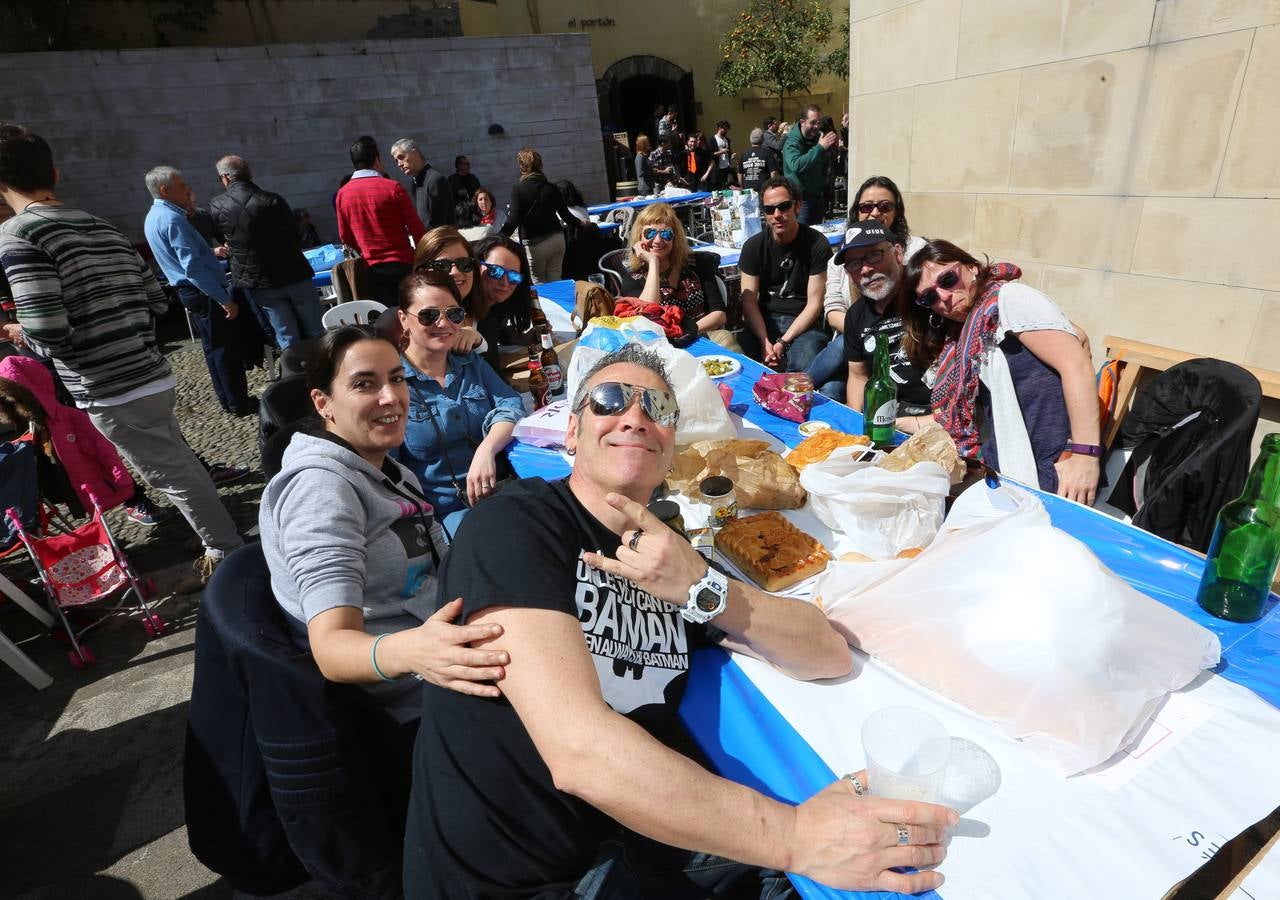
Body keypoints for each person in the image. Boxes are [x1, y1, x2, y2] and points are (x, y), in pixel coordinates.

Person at [403, 343, 956, 899]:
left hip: (620, 843)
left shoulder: (664, 558)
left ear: (672, 449)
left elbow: (827, 654)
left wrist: (702, 587)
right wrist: (796, 835)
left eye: (659, 408)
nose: (635, 416)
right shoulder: (519, 522)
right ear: (571, 432)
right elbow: (579, 752)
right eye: (610, 399)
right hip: (518, 882)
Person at [0, 123, 242, 592]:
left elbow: (48, 331)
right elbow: (155, 299)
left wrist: (15, 331)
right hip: (150, 371)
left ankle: (227, 552)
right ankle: (223, 541)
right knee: (181, 466)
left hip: (111, 386)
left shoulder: (18, 236)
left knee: (172, 474)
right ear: (53, 171)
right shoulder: (98, 224)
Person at [258, 323, 511, 723]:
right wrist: (416, 651)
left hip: (447, 641)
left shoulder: (386, 469)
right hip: (418, 695)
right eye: (364, 384)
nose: (391, 396)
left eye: (396, 378)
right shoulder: (320, 490)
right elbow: (331, 648)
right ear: (323, 403)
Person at [903, 239, 1102, 502]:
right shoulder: (965, 335)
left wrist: (1085, 457)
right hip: (1011, 472)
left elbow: (1076, 366)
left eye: (948, 279)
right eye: (929, 297)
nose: (943, 297)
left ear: (972, 268)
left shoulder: (1008, 300)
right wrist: (895, 423)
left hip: (1055, 470)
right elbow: (959, 417)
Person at [394, 269, 523, 535]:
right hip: (446, 515)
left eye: (453, 314)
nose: (443, 324)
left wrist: (486, 450)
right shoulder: (391, 384)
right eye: (429, 315)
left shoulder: (470, 362)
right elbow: (388, 472)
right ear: (403, 319)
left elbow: (511, 405)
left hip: (503, 490)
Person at [143, 165, 254, 417]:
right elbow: (192, 267)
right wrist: (223, 299)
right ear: (165, 190)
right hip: (201, 291)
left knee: (213, 347)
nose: (187, 189)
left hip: (190, 290)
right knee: (225, 348)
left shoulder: (156, 216)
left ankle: (229, 398)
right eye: (182, 185)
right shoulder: (171, 218)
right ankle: (237, 401)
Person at [805, 175, 925, 400]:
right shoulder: (839, 260)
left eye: (884, 206)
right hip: (855, 346)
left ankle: (798, 384)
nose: (875, 213)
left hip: (901, 346)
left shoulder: (918, 251)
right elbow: (832, 310)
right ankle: (797, 386)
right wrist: (863, 330)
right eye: (867, 206)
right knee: (830, 388)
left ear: (897, 253)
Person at [210, 155, 323, 349]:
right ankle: (327, 371)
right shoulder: (273, 200)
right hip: (294, 273)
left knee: (286, 335)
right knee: (316, 331)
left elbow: (223, 239)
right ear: (249, 175)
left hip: (260, 280)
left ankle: (297, 375)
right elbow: (295, 234)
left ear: (226, 178)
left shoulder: (217, 206)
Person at [737, 177, 831, 372]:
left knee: (801, 368)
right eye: (769, 210)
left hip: (803, 322)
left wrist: (783, 342)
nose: (777, 215)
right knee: (742, 364)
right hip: (765, 320)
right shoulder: (753, 247)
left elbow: (815, 304)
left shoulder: (817, 244)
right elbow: (749, 301)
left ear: (798, 206)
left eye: (784, 206)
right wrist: (764, 342)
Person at [615, 203, 738, 349]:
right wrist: (653, 262)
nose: (658, 240)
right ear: (639, 237)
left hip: (701, 336)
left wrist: (688, 332)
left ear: (675, 238)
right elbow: (646, 316)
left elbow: (719, 314)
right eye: (650, 233)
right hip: (662, 347)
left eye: (666, 234)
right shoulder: (633, 279)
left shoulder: (696, 265)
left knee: (727, 338)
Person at [337, 136, 427, 304]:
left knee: (387, 319)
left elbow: (345, 237)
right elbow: (416, 228)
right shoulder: (392, 187)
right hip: (403, 263)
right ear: (377, 159)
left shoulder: (343, 194)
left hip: (372, 269)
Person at [499, 148, 578, 284]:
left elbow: (513, 221)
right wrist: (582, 224)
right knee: (556, 281)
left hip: (535, 244)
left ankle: (543, 306)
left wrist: (497, 238)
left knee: (539, 284)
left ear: (521, 167)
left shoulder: (518, 189)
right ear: (541, 166)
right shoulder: (551, 187)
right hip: (557, 240)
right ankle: (559, 305)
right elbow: (566, 216)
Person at [412, 225, 486, 354]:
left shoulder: (483, 314)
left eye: (464, 264)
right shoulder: (408, 322)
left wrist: (479, 341)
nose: (455, 272)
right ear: (421, 271)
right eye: (442, 266)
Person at [471, 234, 534, 375]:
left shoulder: (495, 309)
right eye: (495, 271)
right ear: (476, 266)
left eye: (514, 276)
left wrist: (517, 336)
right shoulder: (462, 316)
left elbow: (493, 331)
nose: (505, 283)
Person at [784, 105, 840, 225]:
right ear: (802, 122)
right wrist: (820, 148)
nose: (816, 126)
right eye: (813, 122)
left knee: (817, 233)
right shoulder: (792, 142)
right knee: (801, 236)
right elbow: (796, 165)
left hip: (818, 195)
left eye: (818, 123)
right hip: (801, 200)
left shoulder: (817, 137)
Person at [390, 138, 453, 230]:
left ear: (414, 153)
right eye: (396, 161)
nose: (399, 164)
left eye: (401, 157)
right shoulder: (416, 181)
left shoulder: (434, 180)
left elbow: (439, 224)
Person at [738, 127, 782, 195]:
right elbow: (773, 173)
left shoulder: (744, 154)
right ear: (762, 140)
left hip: (749, 191)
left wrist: (742, 188)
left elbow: (740, 174)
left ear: (750, 139)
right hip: (764, 191)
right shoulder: (768, 153)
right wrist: (774, 188)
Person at [710, 120, 733, 189]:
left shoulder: (727, 140)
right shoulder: (713, 139)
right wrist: (721, 152)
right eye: (725, 129)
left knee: (728, 187)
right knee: (718, 188)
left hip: (727, 167)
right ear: (719, 128)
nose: (726, 131)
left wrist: (732, 155)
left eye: (727, 129)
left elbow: (728, 152)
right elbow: (711, 154)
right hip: (718, 169)